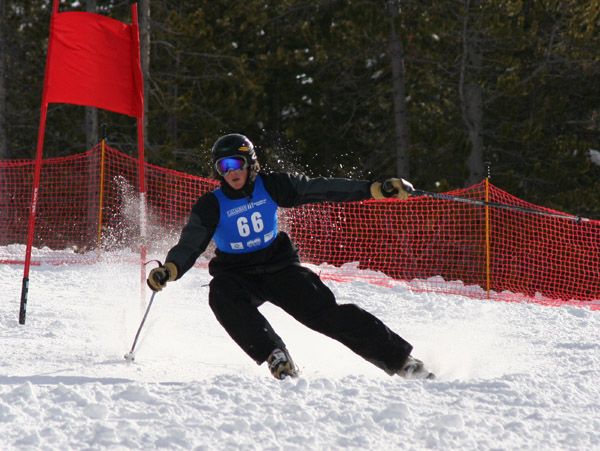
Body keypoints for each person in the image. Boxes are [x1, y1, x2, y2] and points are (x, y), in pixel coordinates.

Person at [147, 133, 434, 380]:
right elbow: (190, 243)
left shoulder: (273, 186)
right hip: (235, 273)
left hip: (279, 267)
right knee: (220, 296)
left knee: (326, 314)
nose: (231, 172)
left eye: (236, 163)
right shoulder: (211, 204)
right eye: (223, 166)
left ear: (250, 163)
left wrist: (374, 189)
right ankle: (275, 355)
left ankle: (401, 361)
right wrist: (169, 269)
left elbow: (321, 188)